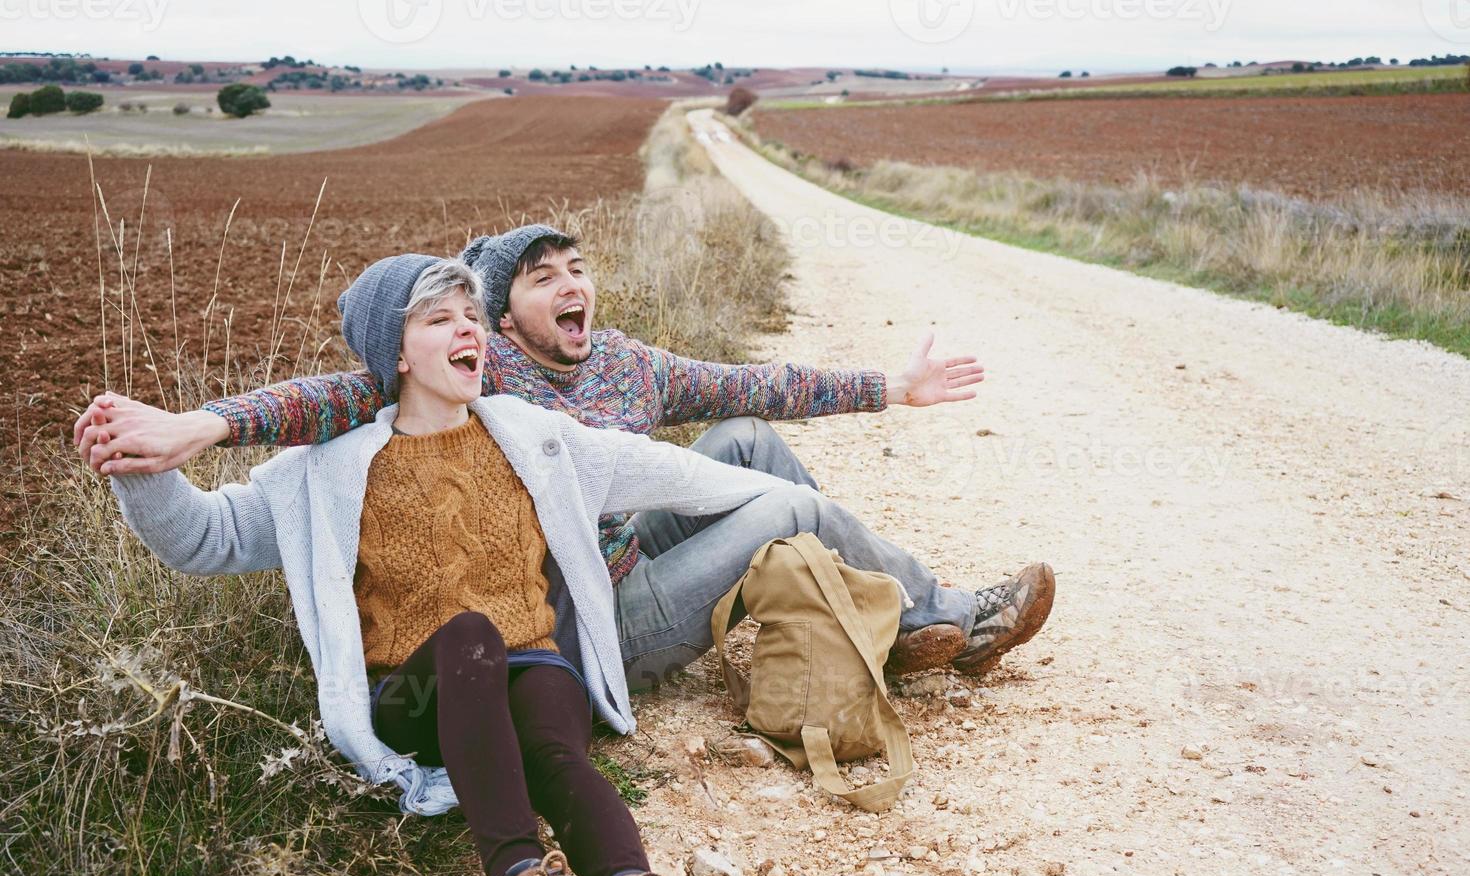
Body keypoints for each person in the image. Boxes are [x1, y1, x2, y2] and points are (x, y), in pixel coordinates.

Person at [104, 255, 797, 876]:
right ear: (396, 354)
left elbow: (676, 475)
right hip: (413, 695)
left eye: (472, 317)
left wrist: (777, 497)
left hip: (536, 672)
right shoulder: (329, 468)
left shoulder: (534, 438)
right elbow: (204, 538)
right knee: (470, 637)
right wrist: (135, 462)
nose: (467, 330)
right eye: (440, 319)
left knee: (554, 747)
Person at [77, 224, 1055, 687]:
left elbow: (759, 389)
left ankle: (852, 624)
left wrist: (893, 385)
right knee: (780, 507)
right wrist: (186, 434)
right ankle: (950, 620)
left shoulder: (625, 365)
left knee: (749, 445)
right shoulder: (471, 382)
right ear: (500, 319)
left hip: (635, 550)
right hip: (599, 620)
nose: (572, 284)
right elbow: (330, 405)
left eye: (577, 267)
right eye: (544, 277)